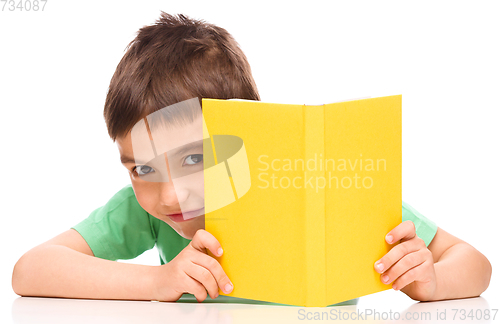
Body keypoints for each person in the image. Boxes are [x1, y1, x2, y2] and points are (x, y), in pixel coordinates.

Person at [12, 12, 491, 305]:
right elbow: (30, 270)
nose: (170, 194)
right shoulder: (146, 212)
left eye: (194, 160)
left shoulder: (318, 194)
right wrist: (157, 281)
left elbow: (473, 261)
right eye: (143, 168)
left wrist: (432, 281)